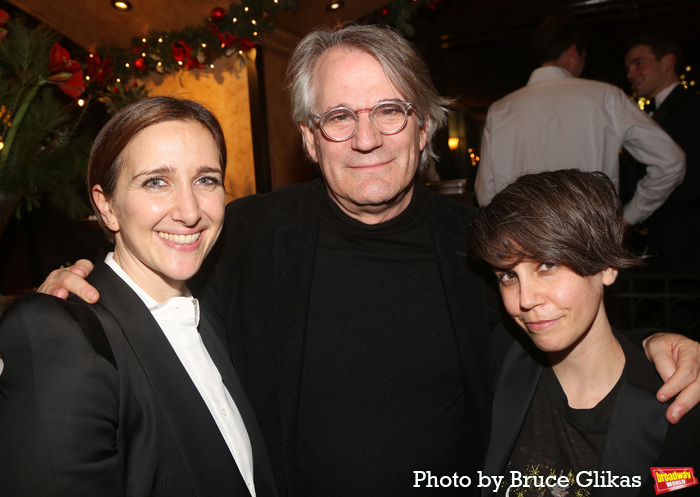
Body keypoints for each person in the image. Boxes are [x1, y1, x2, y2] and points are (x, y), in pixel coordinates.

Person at [37, 25, 700, 497]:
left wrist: (656, 347)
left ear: (421, 127)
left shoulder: (481, 245)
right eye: (339, 116)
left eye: (389, 110)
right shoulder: (243, 233)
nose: (366, 138)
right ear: (309, 138)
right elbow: (151, 271)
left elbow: (558, 321)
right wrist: (84, 287)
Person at [0, 97, 277, 497]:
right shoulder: (63, 333)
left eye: (206, 180)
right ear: (107, 207)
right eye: (156, 181)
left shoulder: (212, 315)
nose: (189, 210)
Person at [469, 169, 700, 497]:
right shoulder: (498, 360)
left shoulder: (679, 410)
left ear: (607, 265)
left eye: (547, 265)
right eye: (508, 275)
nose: (525, 299)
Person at [474, 15, 685, 229]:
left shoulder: (500, 109)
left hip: (524, 240)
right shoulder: (606, 97)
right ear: (574, 53)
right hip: (590, 238)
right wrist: (628, 218)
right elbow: (671, 161)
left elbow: (485, 195)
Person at [624, 34, 700, 271]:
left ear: (667, 62)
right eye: (627, 67)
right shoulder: (651, 114)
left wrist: (641, 216)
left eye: (638, 64)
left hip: (687, 243)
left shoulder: (693, 107)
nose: (630, 75)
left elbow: (694, 180)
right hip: (663, 245)